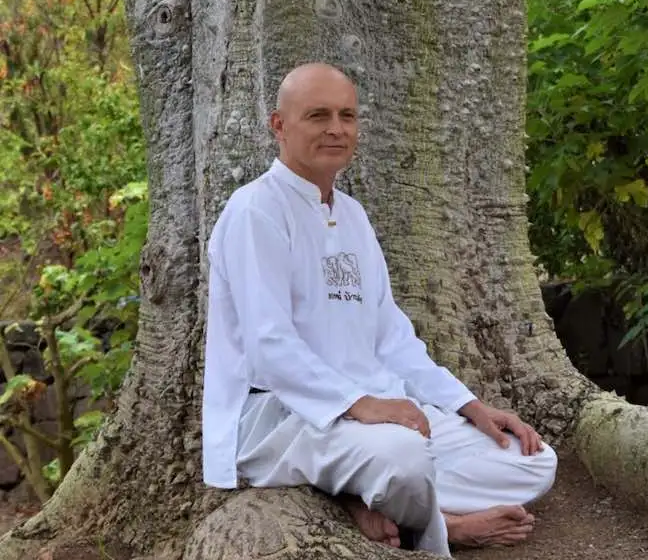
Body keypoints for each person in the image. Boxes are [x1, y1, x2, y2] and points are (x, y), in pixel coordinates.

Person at [203, 63, 557, 555]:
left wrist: (469, 406)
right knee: (405, 459)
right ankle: (444, 527)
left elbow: (392, 337)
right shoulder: (253, 211)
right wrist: (363, 406)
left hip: (376, 411)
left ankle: (369, 498)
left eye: (347, 115)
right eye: (318, 115)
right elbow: (268, 348)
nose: (336, 128)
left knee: (531, 458)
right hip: (286, 417)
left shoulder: (351, 214)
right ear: (278, 125)